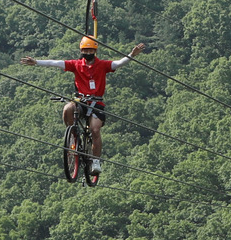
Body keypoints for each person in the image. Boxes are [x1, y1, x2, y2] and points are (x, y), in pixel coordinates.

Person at [21, 37, 145, 175]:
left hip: (96, 103)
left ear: (95, 51)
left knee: (95, 130)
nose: (88, 53)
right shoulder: (76, 64)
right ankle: (72, 135)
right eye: (85, 50)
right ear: (81, 51)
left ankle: (95, 161)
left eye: (91, 50)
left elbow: (118, 64)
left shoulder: (102, 65)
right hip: (80, 101)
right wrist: (37, 62)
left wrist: (131, 55)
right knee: (68, 108)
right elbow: (55, 63)